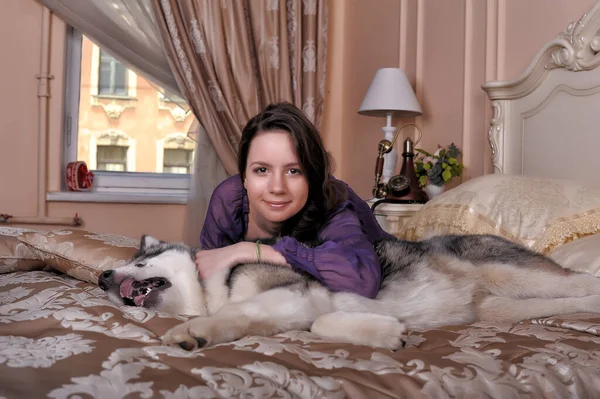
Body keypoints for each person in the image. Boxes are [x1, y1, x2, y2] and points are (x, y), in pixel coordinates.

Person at [197, 102, 396, 298]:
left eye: (294, 171)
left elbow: (362, 281)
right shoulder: (228, 199)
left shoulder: (333, 205)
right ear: (245, 177)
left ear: (312, 177)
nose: (277, 188)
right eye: (262, 170)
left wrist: (251, 250)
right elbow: (210, 269)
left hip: (389, 264)